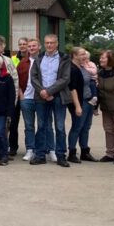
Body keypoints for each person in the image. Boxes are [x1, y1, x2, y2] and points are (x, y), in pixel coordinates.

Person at [29, 34, 72, 167]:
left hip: (58, 97)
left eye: (52, 43)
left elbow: (65, 79)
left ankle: (61, 156)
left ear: (57, 43)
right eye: (47, 43)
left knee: (59, 127)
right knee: (41, 126)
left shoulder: (64, 58)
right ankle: (40, 155)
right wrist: (42, 91)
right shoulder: (38, 58)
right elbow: (34, 77)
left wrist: (50, 91)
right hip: (41, 97)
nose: (49, 45)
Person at [66, 47, 97, 163]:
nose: (85, 56)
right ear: (74, 56)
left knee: (86, 127)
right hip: (80, 101)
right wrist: (78, 106)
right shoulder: (72, 69)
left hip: (88, 101)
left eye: (85, 54)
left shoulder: (83, 67)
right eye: (82, 54)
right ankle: (72, 152)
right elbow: (72, 89)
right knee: (77, 127)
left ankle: (85, 151)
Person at [16, 38, 41, 161]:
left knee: (43, 125)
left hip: (41, 98)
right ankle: (30, 149)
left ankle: (41, 149)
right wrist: (21, 94)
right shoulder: (22, 63)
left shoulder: (44, 61)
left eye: (34, 46)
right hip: (26, 99)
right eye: (29, 46)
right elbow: (18, 80)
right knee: (29, 126)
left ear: (39, 47)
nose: (31, 48)